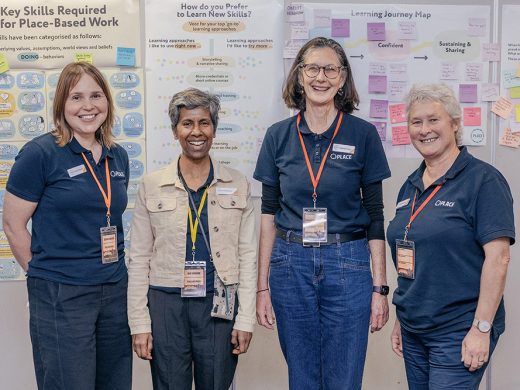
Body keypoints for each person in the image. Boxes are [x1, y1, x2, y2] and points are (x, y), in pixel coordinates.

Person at [254, 37, 391, 389]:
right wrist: (261, 288)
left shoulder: (363, 134)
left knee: (344, 377)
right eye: (312, 68)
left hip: (348, 262)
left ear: (342, 79)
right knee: (301, 376)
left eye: (331, 69)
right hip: (289, 264)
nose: (321, 77)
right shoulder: (278, 136)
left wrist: (380, 288)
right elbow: (268, 215)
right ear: (299, 76)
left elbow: (376, 215)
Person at [2, 62, 132, 390]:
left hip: (114, 289)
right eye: (76, 97)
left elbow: (109, 214)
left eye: (96, 96)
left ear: (107, 102)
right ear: (61, 104)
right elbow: (13, 224)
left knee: (114, 382)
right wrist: (43, 273)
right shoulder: (40, 153)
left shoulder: (118, 156)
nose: (88, 106)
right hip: (61, 293)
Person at [127, 88, 257, 390]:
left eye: (204, 123)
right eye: (187, 123)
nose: (196, 132)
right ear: (175, 130)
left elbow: (248, 255)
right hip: (165, 302)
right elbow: (138, 259)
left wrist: (245, 319)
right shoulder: (152, 184)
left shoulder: (236, 183)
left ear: (214, 128)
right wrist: (140, 323)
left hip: (218, 302)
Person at [387, 84, 515, 389]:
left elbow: (499, 258)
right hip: (414, 328)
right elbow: (413, 258)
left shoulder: (483, 180)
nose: (424, 130)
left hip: (459, 328)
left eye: (434, 120)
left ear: (455, 124)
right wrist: (401, 318)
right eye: (416, 122)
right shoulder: (411, 185)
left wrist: (482, 329)